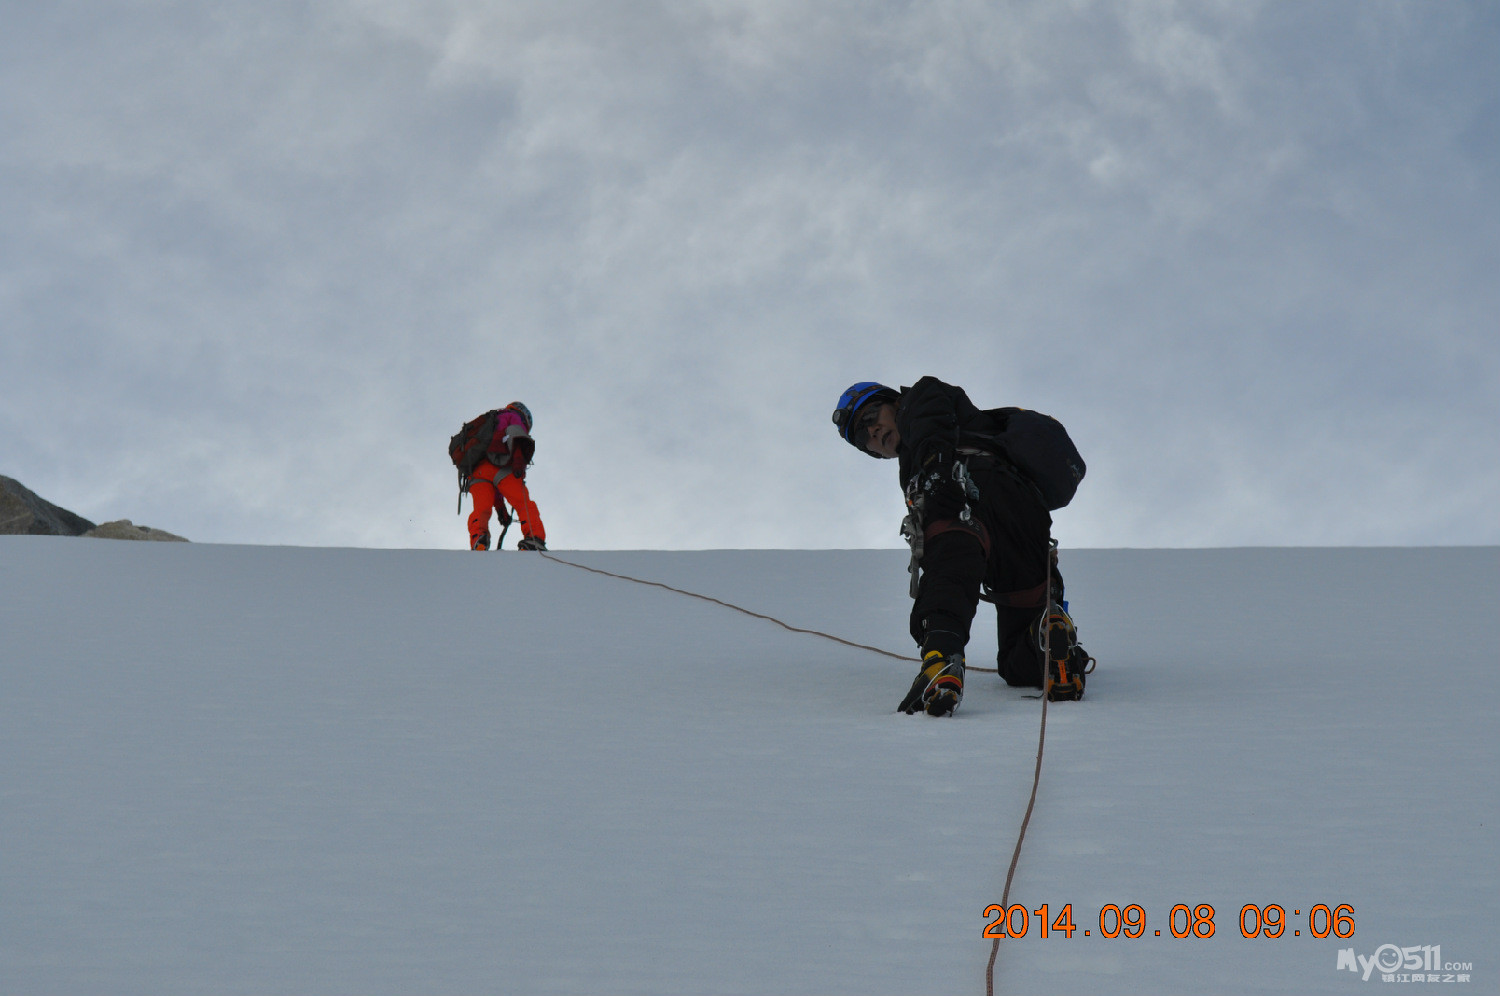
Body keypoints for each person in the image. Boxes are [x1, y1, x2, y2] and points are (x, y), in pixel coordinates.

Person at [832, 378, 1093, 717]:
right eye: (862, 439)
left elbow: (930, 424)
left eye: (869, 417)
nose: (871, 434)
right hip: (1023, 511)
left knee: (949, 570)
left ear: (894, 403)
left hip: (963, 487)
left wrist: (936, 474)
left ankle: (940, 660)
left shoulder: (921, 398)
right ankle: (1051, 638)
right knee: (1017, 659)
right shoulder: (930, 440)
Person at [466, 401, 547, 552]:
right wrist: (518, 465)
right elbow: (517, 436)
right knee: (523, 503)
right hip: (502, 466)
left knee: (481, 508)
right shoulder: (514, 416)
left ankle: (478, 539)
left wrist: (500, 509)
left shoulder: (489, 422)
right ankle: (534, 538)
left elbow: (493, 486)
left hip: (477, 471)